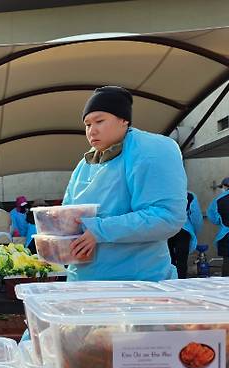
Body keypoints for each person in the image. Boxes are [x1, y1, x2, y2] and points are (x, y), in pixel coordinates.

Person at [63, 85, 187, 282]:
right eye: (87, 124)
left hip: (138, 284)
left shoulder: (151, 150)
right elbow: (68, 215)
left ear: (124, 120)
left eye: (99, 121)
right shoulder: (84, 165)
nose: (92, 130)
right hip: (83, 283)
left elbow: (167, 217)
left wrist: (100, 230)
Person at [168, 192, 203, 279]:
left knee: (168, 258)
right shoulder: (189, 195)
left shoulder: (164, 194)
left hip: (167, 228)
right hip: (184, 230)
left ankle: (169, 280)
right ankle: (181, 280)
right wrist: (195, 231)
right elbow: (196, 217)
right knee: (182, 259)